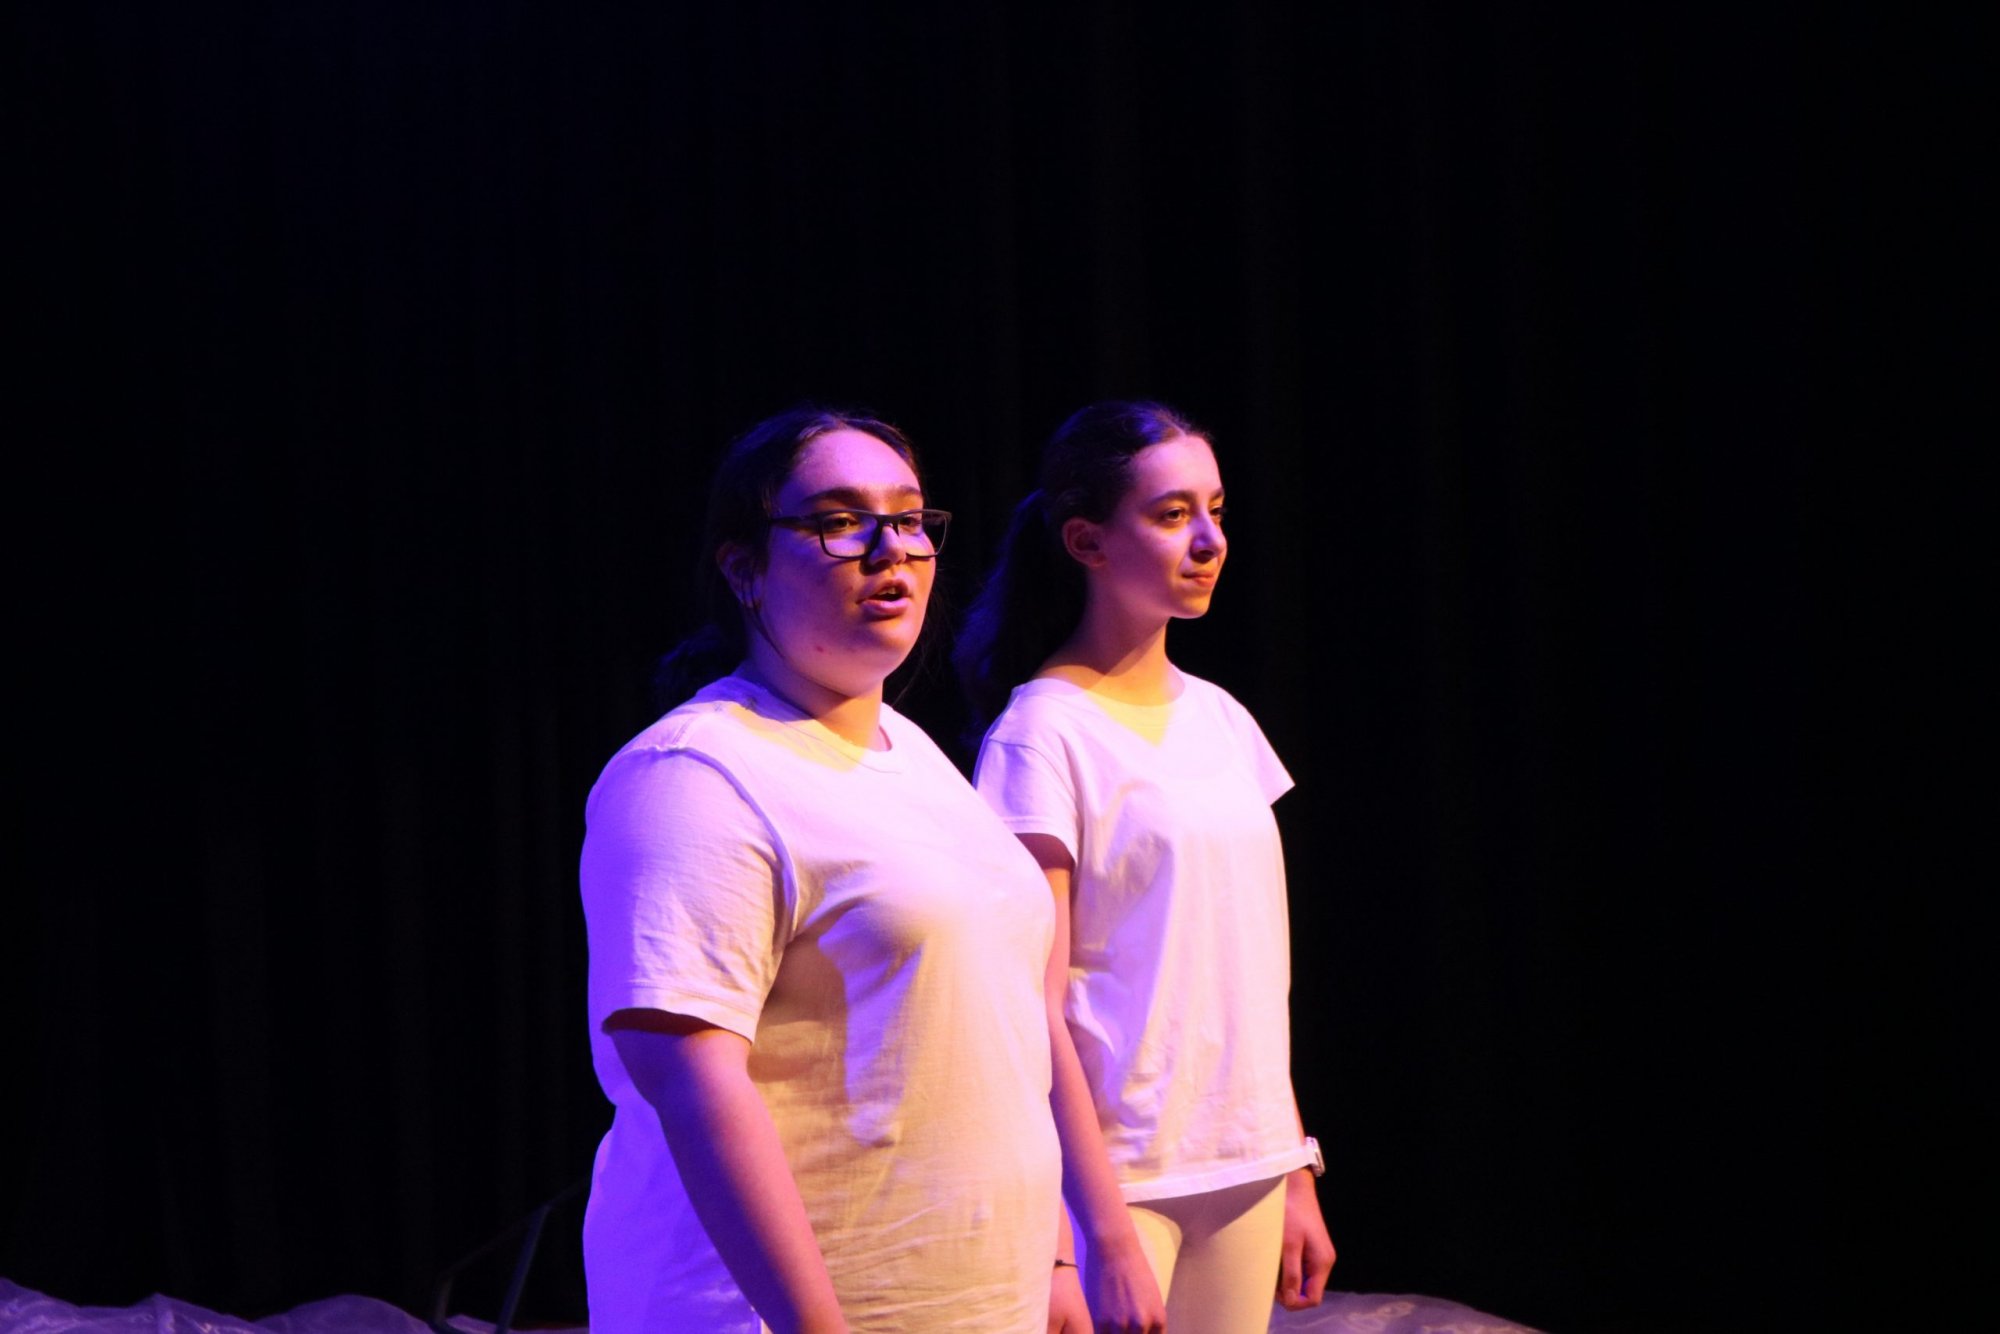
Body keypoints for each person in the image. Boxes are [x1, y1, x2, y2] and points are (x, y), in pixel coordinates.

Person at [580, 407, 1084, 1333]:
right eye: (840, 520)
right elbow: (692, 1079)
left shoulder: (915, 755)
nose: (891, 549)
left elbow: (1000, 1039)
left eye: (910, 518)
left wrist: (1053, 1257)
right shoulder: (694, 774)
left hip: (977, 1303)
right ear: (744, 569)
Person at [957, 401, 1337, 1333]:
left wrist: (1293, 1165)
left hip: (1247, 1164)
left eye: (1215, 510)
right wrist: (1093, 1232)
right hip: (1121, 1178)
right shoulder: (1041, 735)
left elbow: (1249, 970)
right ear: (1086, 540)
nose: (1208, 540)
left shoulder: (1223, 720)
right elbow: (1030, 1006)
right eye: (1172, 515)